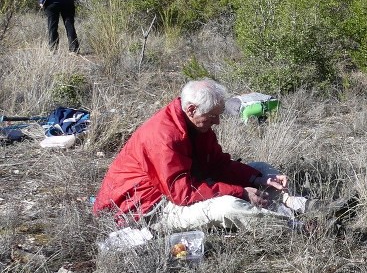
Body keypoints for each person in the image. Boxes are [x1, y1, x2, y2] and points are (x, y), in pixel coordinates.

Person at [94, 79, 304, 233]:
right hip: (147, 207)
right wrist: (240, 192)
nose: (217, 122)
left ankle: (293, 202)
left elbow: (218, 164)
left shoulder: (195, 124)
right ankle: (293, 225)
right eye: (213, 116)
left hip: (181, 187)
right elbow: (182, 193)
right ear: (192, 109)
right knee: (227, 207)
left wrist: (257, 178)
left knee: (261, 168)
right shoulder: (163, 136)